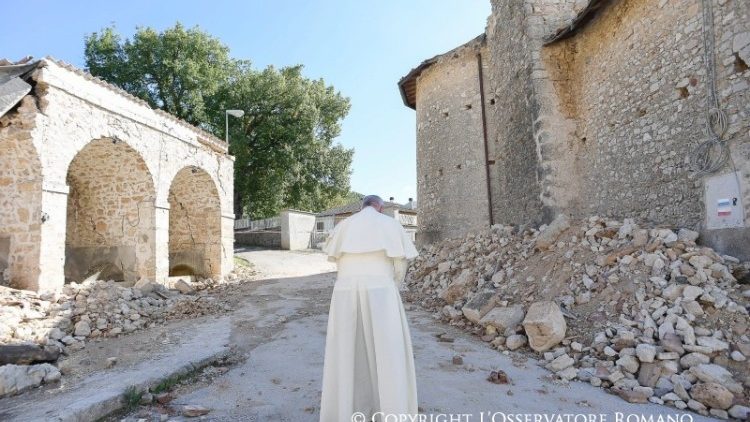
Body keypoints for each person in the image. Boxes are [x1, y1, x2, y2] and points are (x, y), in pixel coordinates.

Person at [319, 195, 419, 422]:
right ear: (380, 208)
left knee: (346, 351)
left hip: (344, 292)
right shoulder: (390, 224)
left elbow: (336, 260)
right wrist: (392, 285)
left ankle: (345, 411)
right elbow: (400, 265)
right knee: (388, 351)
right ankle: (391, 410)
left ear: (361, 207)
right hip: (381, 291)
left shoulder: (343, 226)